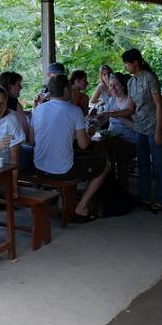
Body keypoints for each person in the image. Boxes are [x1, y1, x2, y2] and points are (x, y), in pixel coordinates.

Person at [31, 75, 109, 222]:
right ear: (66, 90)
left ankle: (62, 200)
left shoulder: (38, 110)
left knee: (67, 156)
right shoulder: (74, 111)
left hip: (39, 167)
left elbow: (31, 140)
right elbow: (84, 145)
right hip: (63, 171)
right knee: (105, 164)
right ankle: (81, 206)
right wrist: (89, 132)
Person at [121, 48, 162, 212]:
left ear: (135, 62)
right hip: (140, 127)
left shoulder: (149, 78)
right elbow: (132, 107)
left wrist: (158, 131)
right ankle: (144, 197)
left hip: (154, 126)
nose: (125, 66)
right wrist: (110, 114)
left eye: (127, 63)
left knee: (159, 164)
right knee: (142, 164)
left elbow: (159, 105)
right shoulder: (130, 82)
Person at [95, 72, 136, 190]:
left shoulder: (131, 101)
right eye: (110, 85)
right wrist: (94, 123)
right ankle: (107, 187)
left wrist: (117, 116)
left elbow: (135, 127)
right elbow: (103, 120)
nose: (112, 88)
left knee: (116, 155)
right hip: (112, 138)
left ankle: (122, 189)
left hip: (129, 140)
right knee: (99, 153)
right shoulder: (112, 100)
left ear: (123, 85)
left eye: (116, 85)